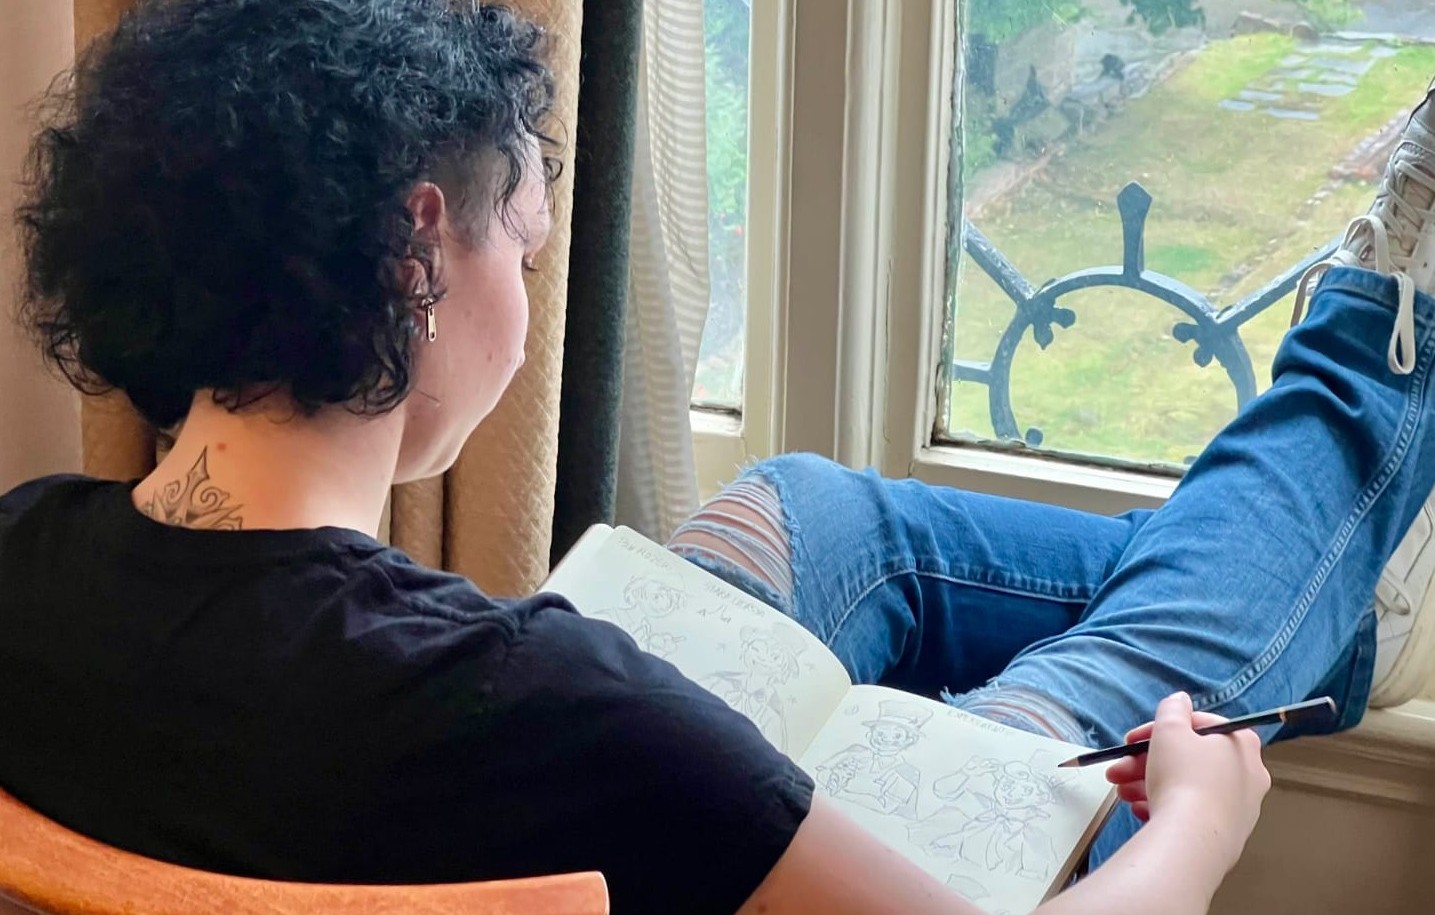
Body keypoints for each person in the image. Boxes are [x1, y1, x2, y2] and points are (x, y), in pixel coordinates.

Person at [0, 0, 1427, 911]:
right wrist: (1200, 825)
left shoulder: (22, 550)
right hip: (769, 849)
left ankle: (1328, 585)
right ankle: (1381, 353)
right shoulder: (554, 706)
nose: (528, 303)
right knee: (1136, 668)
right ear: (417, 254)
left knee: (802, 506)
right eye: (525, 251)